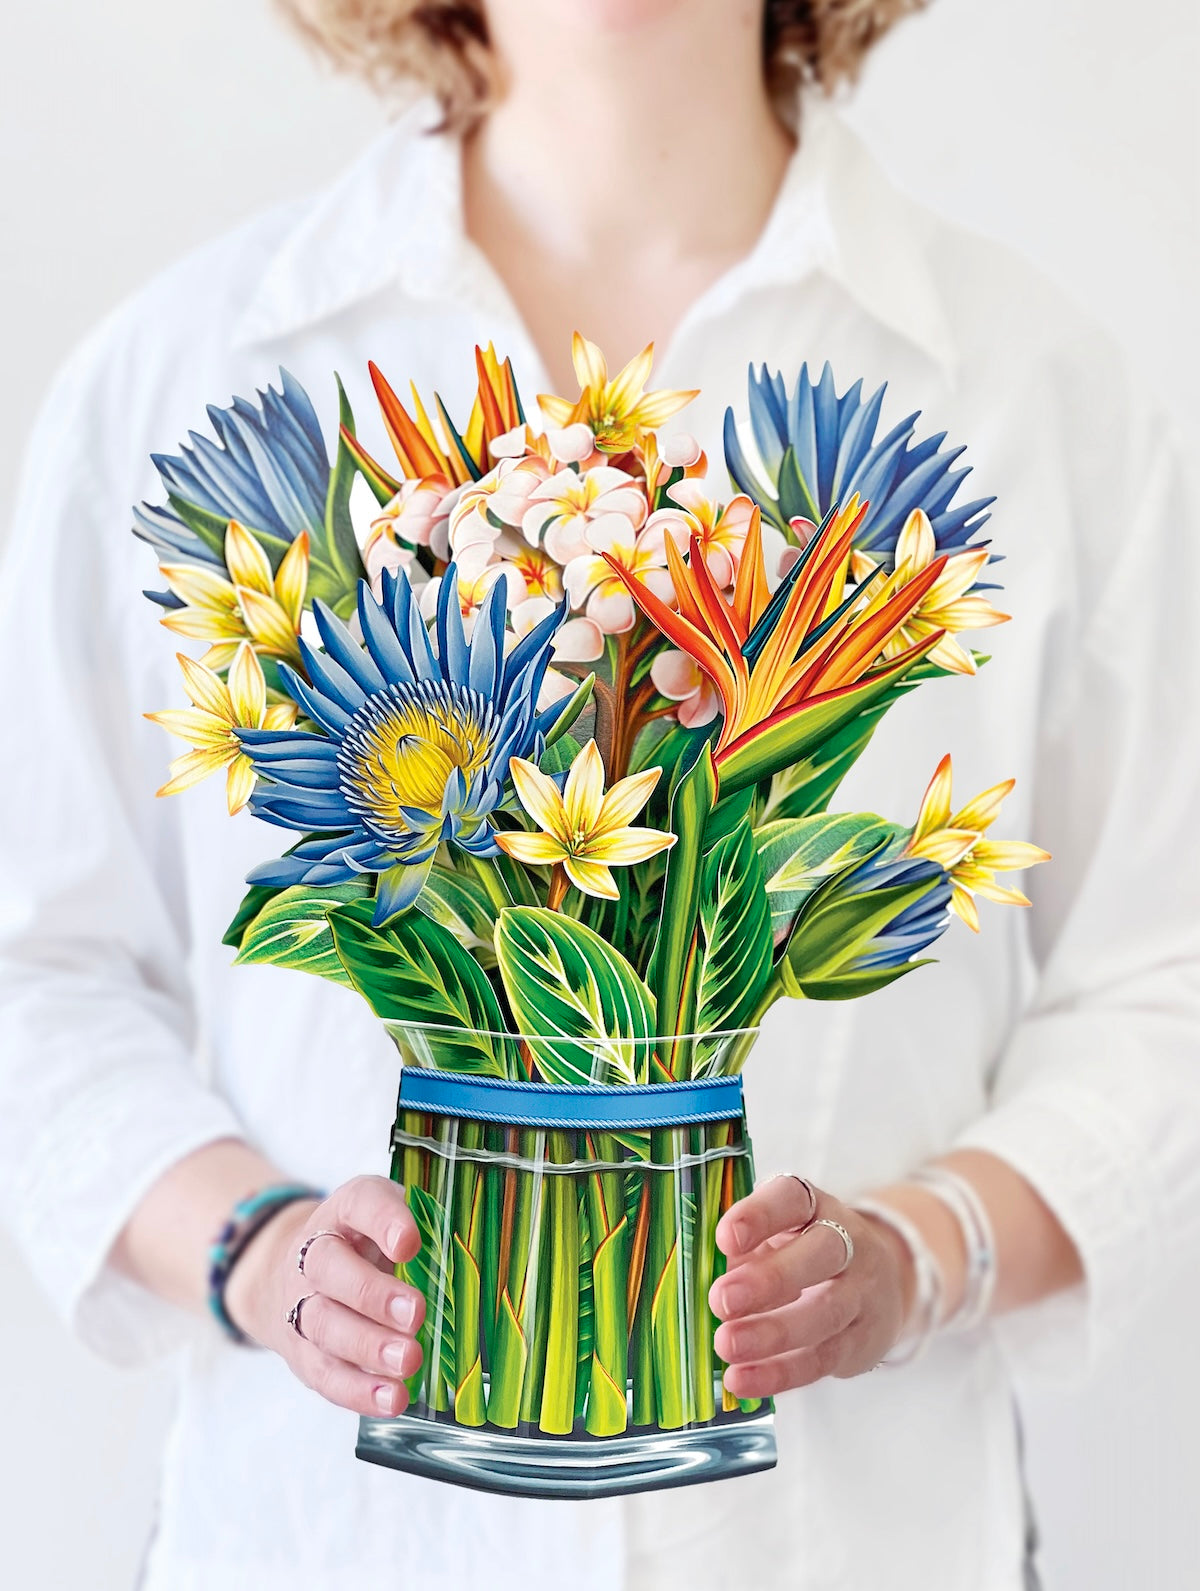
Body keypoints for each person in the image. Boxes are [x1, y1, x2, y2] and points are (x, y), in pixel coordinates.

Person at [0, 2, 1196, 1588]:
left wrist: (917, 1258)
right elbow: (41, 972)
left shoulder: (1038, 393)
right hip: (322, 1544)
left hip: (858, 1544)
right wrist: (256, 1250)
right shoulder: (180, 378)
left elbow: (1162, 979)